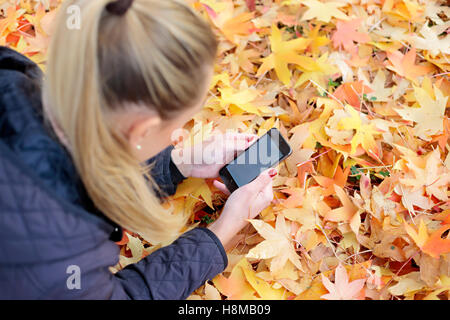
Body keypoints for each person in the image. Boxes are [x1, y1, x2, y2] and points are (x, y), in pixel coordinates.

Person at [0, 0, 276, 299]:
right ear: (140, 129)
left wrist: (177, 164)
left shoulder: (12, 73)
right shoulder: (55, 258)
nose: (177, 134)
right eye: (176, 125)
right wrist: (222, 232)